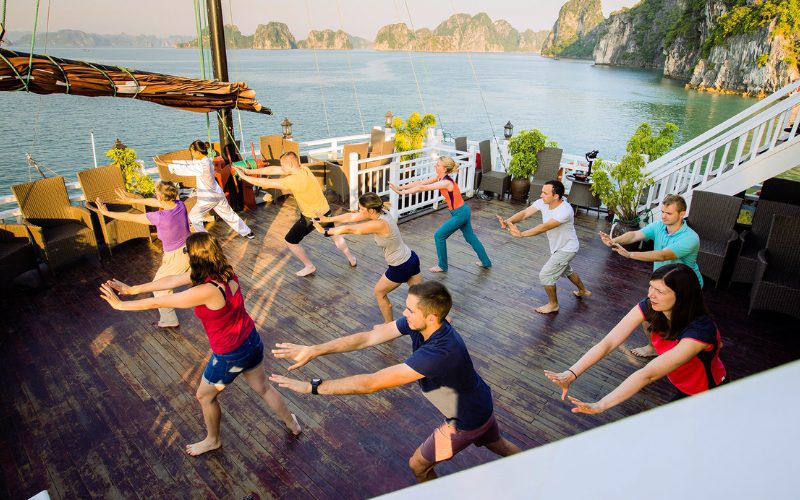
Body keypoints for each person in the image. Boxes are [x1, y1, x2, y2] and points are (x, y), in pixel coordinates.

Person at [269, 281, 521, 483]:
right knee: (496, 443)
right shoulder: (421, 324)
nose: (404, 313)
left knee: (418, 466)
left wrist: (313, 387)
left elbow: (372, 383)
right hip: (480, 401)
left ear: (431, 317)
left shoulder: (440, 352)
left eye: (410, 310)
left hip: (465, 420)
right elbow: (368, 338)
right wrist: (314, 349)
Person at [99, 232, 301, 456]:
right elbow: (173, 280)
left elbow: (160, 300)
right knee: (263, 387)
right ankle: (292, 423)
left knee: (205, 396)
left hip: (231, 356)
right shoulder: (226, 271)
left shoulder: (205, 291)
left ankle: (212, 440)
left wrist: (121, 306)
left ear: (194, 257)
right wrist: (132, 290)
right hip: (251, 341)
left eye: (186, 251)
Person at [544, 263, 727, 413]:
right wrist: (571, 373)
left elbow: (647, 374)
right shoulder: (652, 307)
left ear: (682, 297)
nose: (650, 295)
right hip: (682, 383)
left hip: (707, 393)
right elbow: (609, 342)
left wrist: (601, 405)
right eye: (651, 287)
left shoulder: (700, 331)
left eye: (660, 291)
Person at [599, 194, 701, 357]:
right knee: (648, 317)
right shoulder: (660, 226)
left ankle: (681, 355)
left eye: (669, 213)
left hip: (685, 289)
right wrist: (613, 241)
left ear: (682, 214)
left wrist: (630, 255)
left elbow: (662, 255)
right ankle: (653, 347)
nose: (664, 216)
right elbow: (634, 235)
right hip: (662, 284)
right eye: (662, 212)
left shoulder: (690, 238)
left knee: (682, 325)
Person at [233, 151, 357, 276]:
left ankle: (309, 266)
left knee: (290, 241)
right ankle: (351, 258)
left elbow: (266, 183)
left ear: (290, 165)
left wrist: (244, 177)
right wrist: (250, 171)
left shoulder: (293, 180)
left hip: (310, 218)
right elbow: (275, 170)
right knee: (335, 235)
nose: (282, 168)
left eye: (283, 166)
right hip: (324, 210)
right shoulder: (303, 169)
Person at [311, 192, 423, 322]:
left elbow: (350, 229)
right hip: (410, 258)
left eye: (361, 209)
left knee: (379, 293)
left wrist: (324, 231)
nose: (359, 211)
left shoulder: (379, 224)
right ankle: (444, 321)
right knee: (422, 297)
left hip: (400, 266)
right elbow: (351, 217)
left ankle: (388, 326)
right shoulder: (382, 212)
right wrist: (327, 220)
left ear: (370, 210)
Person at [94, 182, 191, 328]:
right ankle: (170, 317)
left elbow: (128, 217)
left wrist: (107, 213)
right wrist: (133, 200)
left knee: (159, 289)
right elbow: (155, 201)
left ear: (159, 196)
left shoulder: (160, 217)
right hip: (189, 249)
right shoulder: (180, 205)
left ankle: (170, 320)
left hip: (176, 257)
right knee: (167, 285)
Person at [497, 180, 591, 314]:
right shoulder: (543, 202)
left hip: (567, 248)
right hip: (558, 247)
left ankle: (553, 305)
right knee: (566, 270)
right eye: (542, 192)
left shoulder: (565, 210)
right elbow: (525, 213)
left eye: (545, 193)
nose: (541, 195)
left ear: (556, 196)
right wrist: (508, 221)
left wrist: (522, 234)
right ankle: (583, 290)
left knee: (546, 275)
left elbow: (544, 227)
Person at [389, 156, 491, 273]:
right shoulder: (439, 177)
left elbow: (422, 187)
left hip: (460, 214)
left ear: (444, 169)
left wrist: (401, 192)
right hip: (462, 211)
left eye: (438, 165)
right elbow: (420, 182)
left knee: (439, 236)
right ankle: (486, 262)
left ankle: (442, 266)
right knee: (470, 238)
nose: (435, 166)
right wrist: (400, 187)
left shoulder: (446, 183)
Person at [167, 140, 254, 239]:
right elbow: (190, 164)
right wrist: (172, 162)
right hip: (217, 194)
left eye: (191, 151)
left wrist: (171, 166)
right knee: (229, 215)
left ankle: (205, 238)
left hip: (208, 198)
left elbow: (187, 169)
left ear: (197, 152)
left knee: (194, 217)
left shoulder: (202, 166)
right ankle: (248, 232)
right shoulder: (206, 160)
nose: (191, 154)